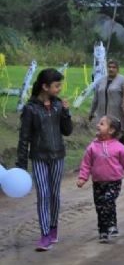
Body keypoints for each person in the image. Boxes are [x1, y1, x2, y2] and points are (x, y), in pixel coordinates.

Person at [15, 68, 73, 252]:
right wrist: (21, 166)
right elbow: (24, 138)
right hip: (39, 157)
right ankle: (45, 234)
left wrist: (66, 112)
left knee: (55, 194)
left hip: (58, 156)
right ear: (45, 86)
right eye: (56, 86)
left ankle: (54, 227)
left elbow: (67, 131)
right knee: (43, 194)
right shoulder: (30, 109)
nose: (59, 89)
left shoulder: (57, 105)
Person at [77, 116, 124, 243]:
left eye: (102, 124)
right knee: (100, 207)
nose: (98, 126)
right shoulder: (92, 147)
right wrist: (82, 178)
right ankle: (103, 232)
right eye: (99, 123)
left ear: (111, 130)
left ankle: (111, 224)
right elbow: (86, 164)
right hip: (98, 183)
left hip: (114, 182)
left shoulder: (119, 147)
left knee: (108, 201)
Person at [89, 60, 124, 128]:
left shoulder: (123, 81)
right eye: (109, 67)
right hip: (101, 115)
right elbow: (95, 99)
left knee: (116, 136)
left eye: (113, 67)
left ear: (118, 69)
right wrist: (91, 112)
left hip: (117, 116)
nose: (111, 69)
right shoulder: (101, 81)